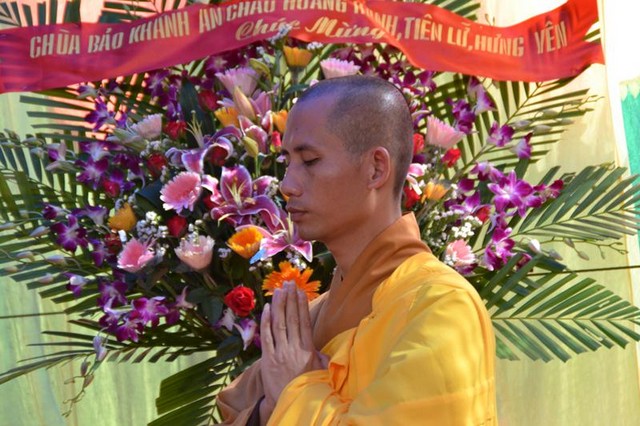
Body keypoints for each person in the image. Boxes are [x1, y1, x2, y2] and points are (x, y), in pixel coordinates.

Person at [216, 75, 497, 425]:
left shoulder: (441, 306)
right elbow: (232, 410)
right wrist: (267, 412)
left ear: (376, 168)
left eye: (310, 160)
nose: (287, 185)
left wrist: (295, 390)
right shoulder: (311, 317)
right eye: (287, 161)